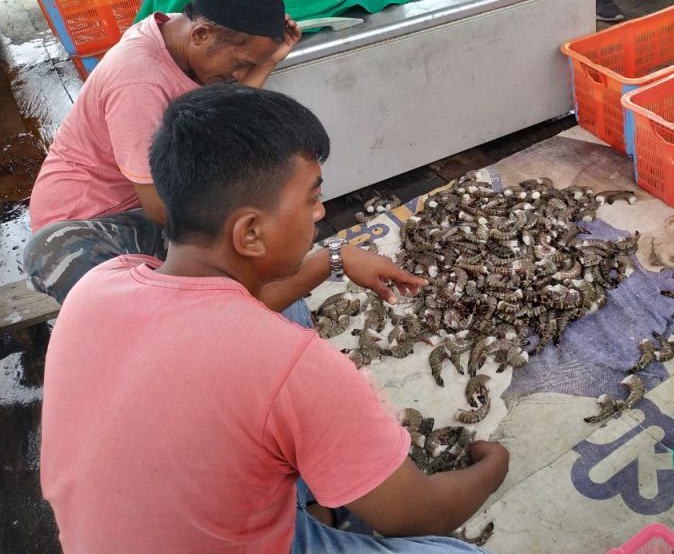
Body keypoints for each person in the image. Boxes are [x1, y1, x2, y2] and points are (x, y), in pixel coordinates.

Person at [40, 84, 510, 553]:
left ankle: (310, 509)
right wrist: (494, 466)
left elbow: (218, 318)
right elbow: (419, 514)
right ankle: (307, 517)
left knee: (281, 308)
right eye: (311, 198)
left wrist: (332, 258)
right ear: (250, 233)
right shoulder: (298, 368)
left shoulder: (98, 286)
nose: (320, 212)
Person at [22, 0, 421, 323]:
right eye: (241, 63)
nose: (238, 75)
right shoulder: (138, 82)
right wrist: (254, 239)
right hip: (91, 223)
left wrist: (265, 63)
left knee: (258, 252)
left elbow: (221, 119)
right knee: (221, 291)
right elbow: (161, 207)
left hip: (158, 194)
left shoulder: (176, 34)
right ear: (202, 35)